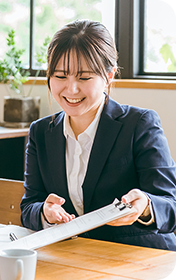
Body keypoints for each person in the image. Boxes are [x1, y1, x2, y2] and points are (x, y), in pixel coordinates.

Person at [20, 19, 176, 250]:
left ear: (109, 75)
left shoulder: (139, 124)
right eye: (61, 76)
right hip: (74, 256)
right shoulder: (41, 132)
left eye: (84, 77)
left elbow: (170, 205)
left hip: (140, 258)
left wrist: (145, 206)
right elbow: (29, 207)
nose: (71, 89)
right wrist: (44, 211)